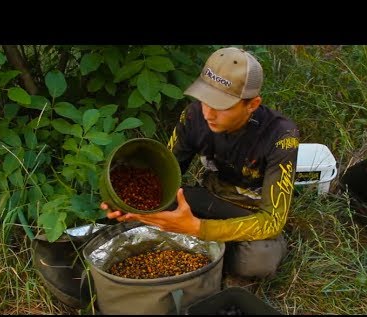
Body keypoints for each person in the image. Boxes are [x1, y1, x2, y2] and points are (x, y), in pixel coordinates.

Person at [101, 47, 300, 280]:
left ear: (252, 104)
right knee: (137, 215)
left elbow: (273, 220)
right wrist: (129, 206)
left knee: (257, 264)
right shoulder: (194, 116)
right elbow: (164, 174)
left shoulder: (281, 135)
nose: (209, 114)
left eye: (222, 106)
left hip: (249, 210)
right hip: (208, 199)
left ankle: (212, 247)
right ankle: (208, 248)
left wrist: (196, 229)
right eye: (205, 100)